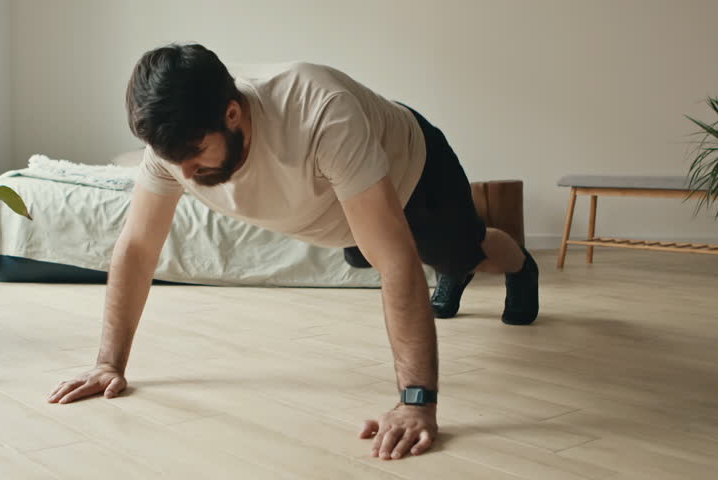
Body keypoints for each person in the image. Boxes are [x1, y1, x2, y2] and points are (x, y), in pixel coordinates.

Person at [47, 43, 539, 460]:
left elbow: (396, 260)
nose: (188, 175)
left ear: (232, 114)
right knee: (372, 250)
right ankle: (452, 271)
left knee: (465, 253)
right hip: (342, 210)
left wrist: (415, 403)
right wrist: (109, 363)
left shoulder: (320, 111)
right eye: (176, 162)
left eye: (196, 156)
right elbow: (137, 249)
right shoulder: (173, 148)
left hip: (415, 175)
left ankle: (518, 264)